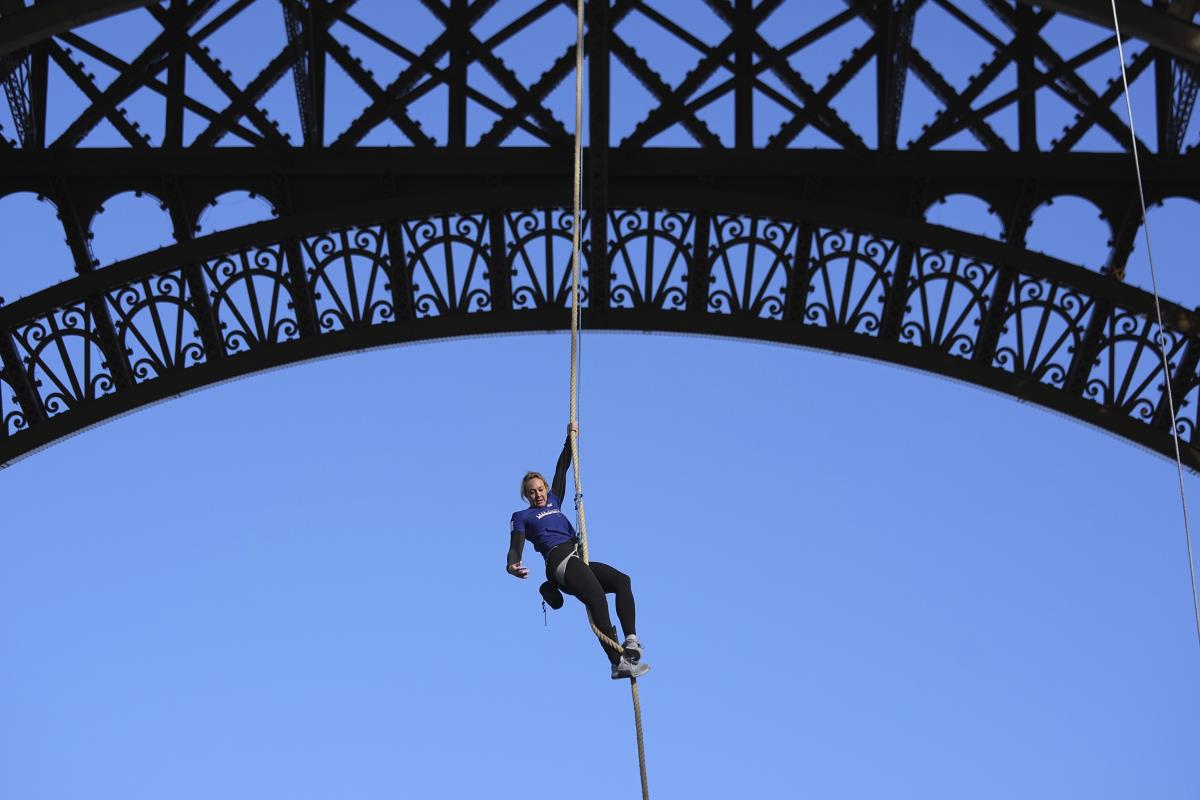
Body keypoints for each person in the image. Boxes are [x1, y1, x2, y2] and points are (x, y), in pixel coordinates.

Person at [506, 423, 650, 680]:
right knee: (596, 596)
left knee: (621, 581)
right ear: (525, 496)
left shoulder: (554, 500)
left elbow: (562, 467)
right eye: (532, 492)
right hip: (559, 562)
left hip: (576, 557)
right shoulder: (522, 516)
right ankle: (617, 662)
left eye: (540, 489)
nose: (538, 495)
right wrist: (512, 564)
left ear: (545, 488)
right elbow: (515, 544)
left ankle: (631, 640)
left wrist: (569, 437)